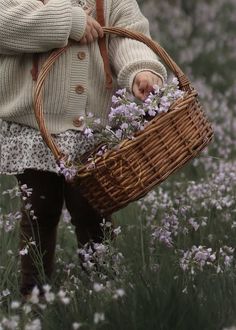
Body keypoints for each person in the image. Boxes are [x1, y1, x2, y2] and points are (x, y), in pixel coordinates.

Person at [0, 0, 167, 297]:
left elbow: (128, 33)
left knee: (93, 212)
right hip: (34, 126)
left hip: (91, 129)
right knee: (39, 212)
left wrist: (140, 69)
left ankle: (102, 293)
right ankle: (33, 297)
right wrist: (66, 22)